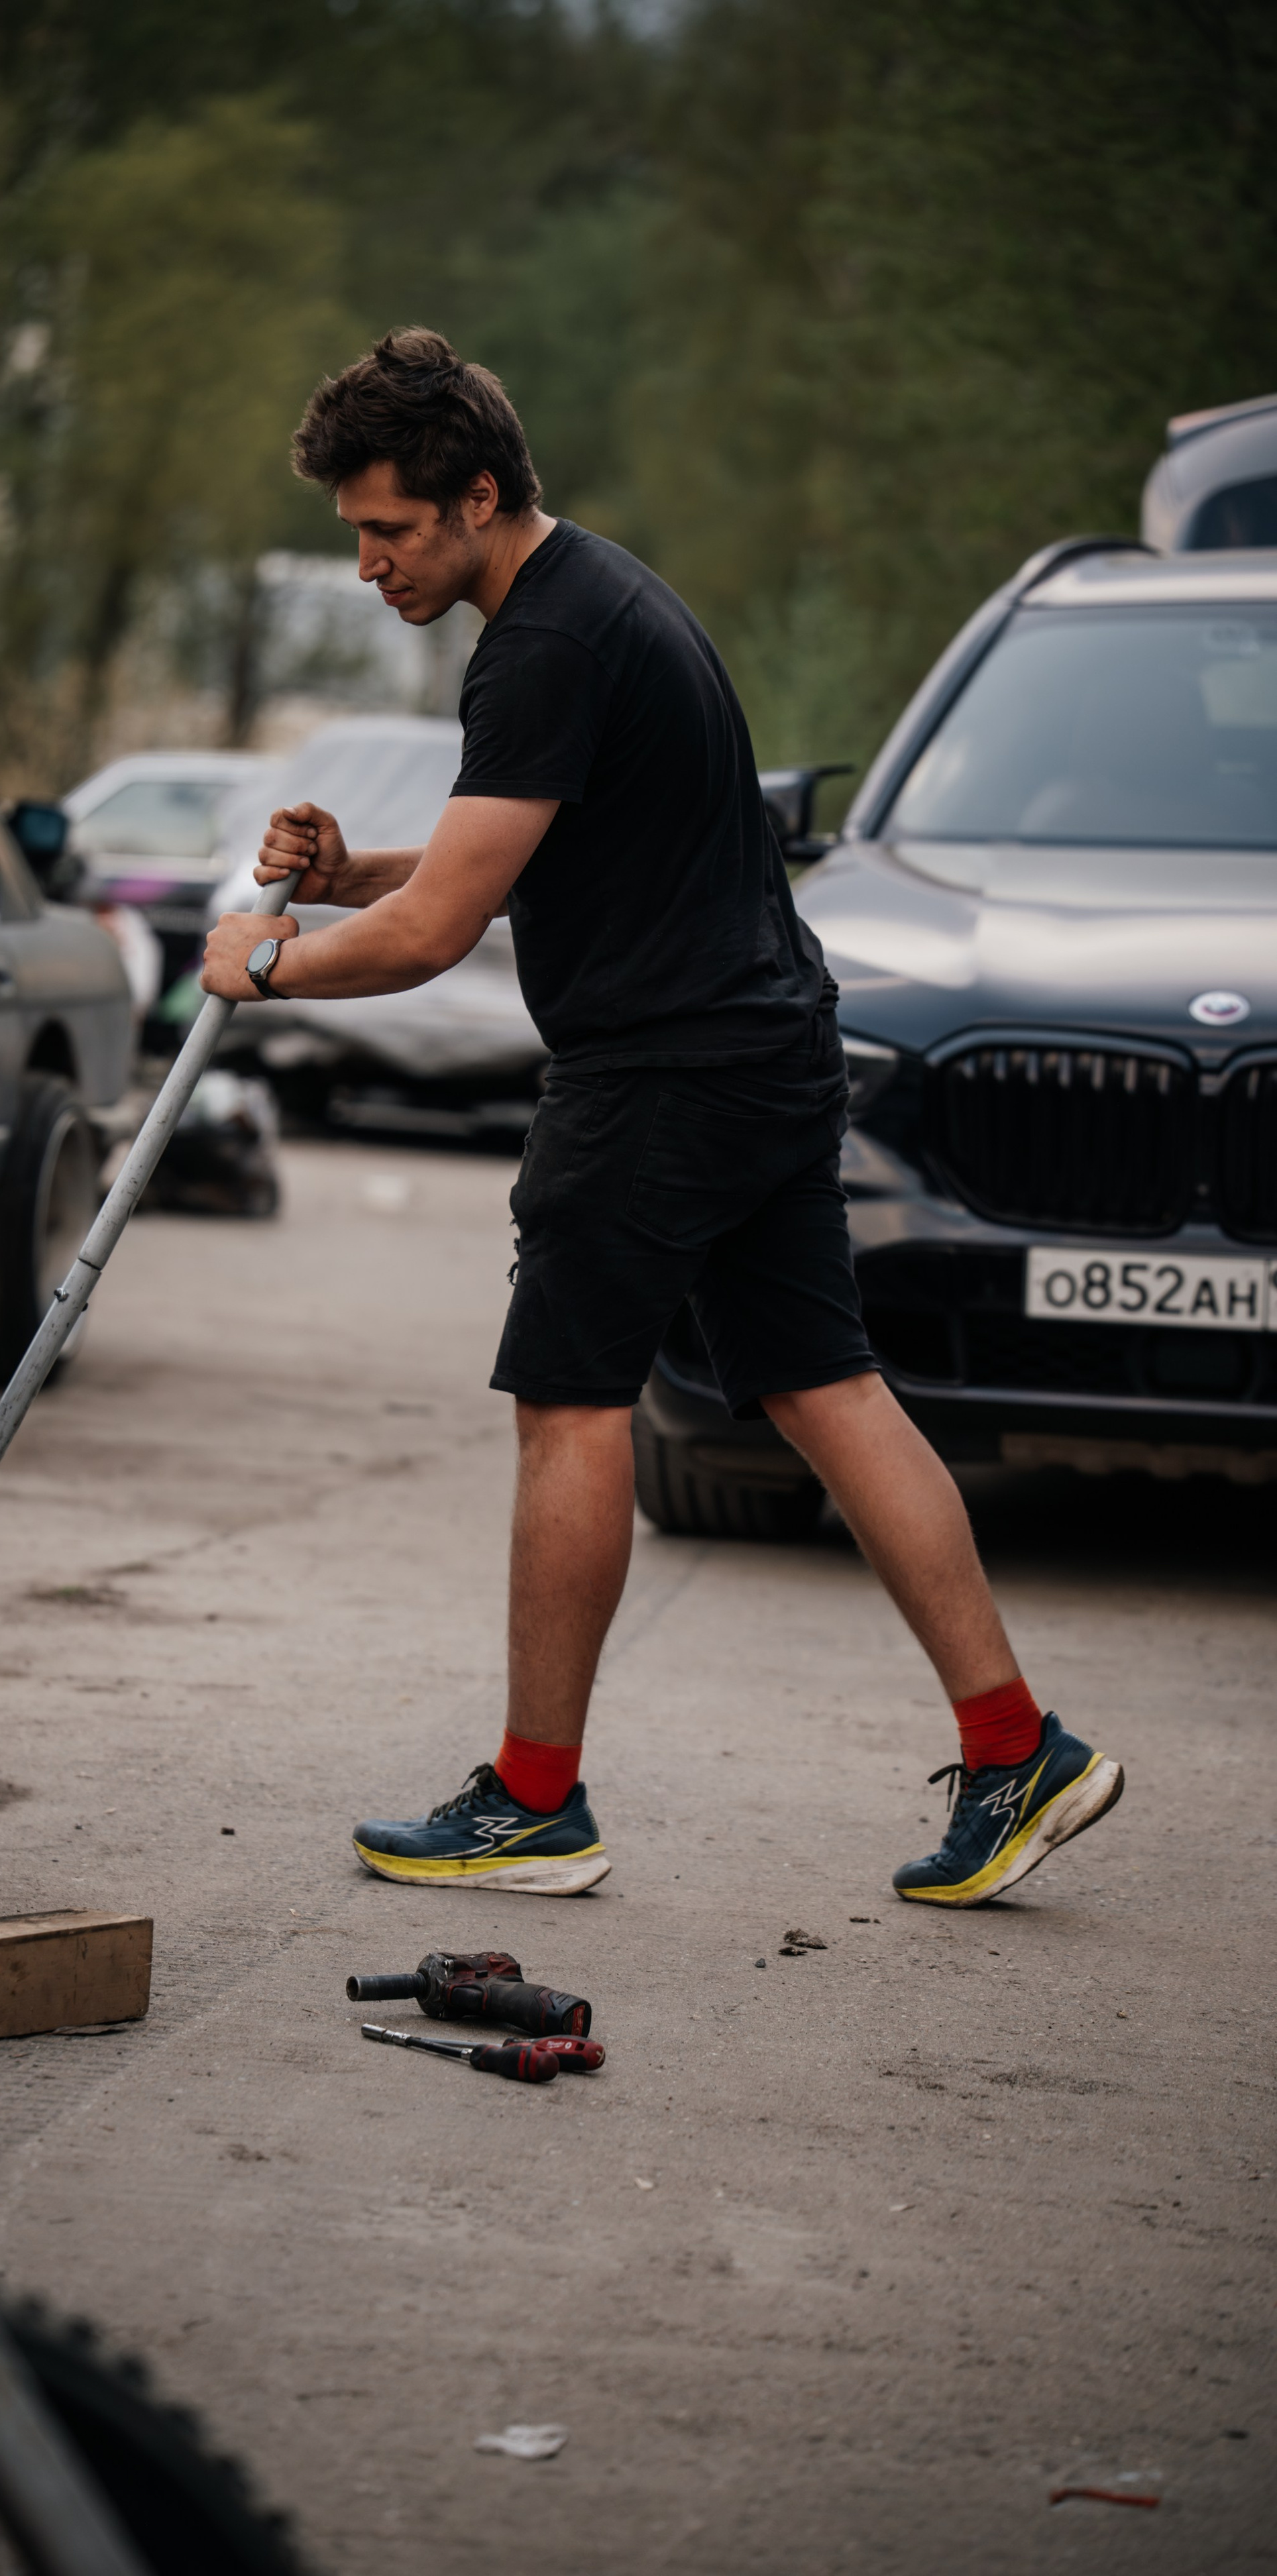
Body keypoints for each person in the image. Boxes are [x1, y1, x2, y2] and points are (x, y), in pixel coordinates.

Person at [200, 327, 1124, 1907]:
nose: (365, 567)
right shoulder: (592, 598)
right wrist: (350, 872)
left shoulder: (541, 647)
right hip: (762, 1050)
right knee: (826, 1386)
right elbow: (497, 870)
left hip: (661, 1079)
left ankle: (533, 1802)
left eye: (387, 532)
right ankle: (1013, 1746)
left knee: (569, 1404)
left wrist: (266, 961)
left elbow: (434, 943)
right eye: (351, 535)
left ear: (475, 497)